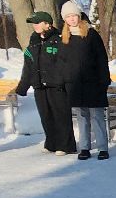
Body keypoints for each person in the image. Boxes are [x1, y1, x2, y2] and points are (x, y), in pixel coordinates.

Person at [16, 12, 76, 155]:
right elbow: (28, 65)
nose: (35, 25)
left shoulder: (59, 39)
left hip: (57, 86)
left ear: (47, 24)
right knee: (46, 116)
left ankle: (65, 145)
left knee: (61, 116)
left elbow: (66, 64)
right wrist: (23, 85)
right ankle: (51, 142)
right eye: (33, 23)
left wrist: (63, 81)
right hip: (39, 85)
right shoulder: (33, 41)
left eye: (38, 22)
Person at [61, 1, 112, 161]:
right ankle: (84, 147)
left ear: (79, 16)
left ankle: (103, 147)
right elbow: (62, 62)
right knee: (81, 116)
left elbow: (101, 59)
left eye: (74, 16)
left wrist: (104, 80)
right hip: (75, 85)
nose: (72, 19)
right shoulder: (64, 37)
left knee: (96, 115)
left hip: (94, 83)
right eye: (68, 17)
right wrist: (65, 80)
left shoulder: (91, 34)